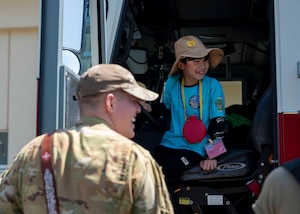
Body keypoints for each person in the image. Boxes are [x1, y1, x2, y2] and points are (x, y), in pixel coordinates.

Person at [0, 64, 174, 214]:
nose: (138, 109)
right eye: (134, 101)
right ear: (110, 102)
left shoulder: (36, 151)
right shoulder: (134, 159)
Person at [153, 35, 225, 204]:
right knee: (148, 169)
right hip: (169, 143)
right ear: (181, 65)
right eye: (195, 61)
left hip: (195, 149)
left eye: (204, 60)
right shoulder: (172, 82)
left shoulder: (212, 85)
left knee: (166, 173)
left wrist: (213, 157)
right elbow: (166, 108)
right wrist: (148, 108)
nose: (202, 66)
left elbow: (218, 123)